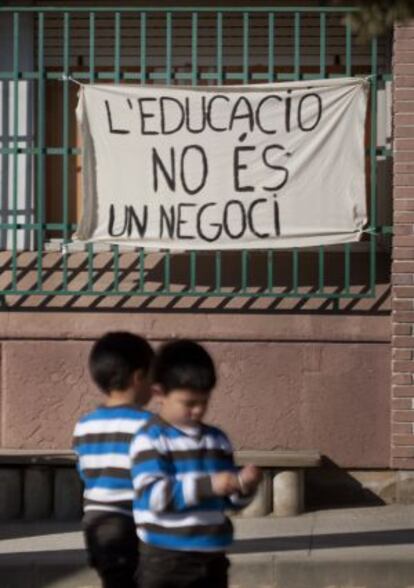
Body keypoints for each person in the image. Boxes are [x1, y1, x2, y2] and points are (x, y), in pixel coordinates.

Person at [130, 339, 262, 588]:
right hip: (165, 558)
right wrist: (210, 485)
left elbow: (228, 501)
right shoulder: (150, 439)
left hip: (212, 555)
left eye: (204, 401)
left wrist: (244, 485)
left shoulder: (217, 439)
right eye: (189, 403)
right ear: (159, 394)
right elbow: (153, 496)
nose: (198, 410)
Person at [73, 331, 154, 588]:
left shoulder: (84, 425)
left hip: (96, 522)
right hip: (134, 520)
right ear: (139, 377)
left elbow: (85, 472)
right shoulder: (149, 425)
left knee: (114, 580)